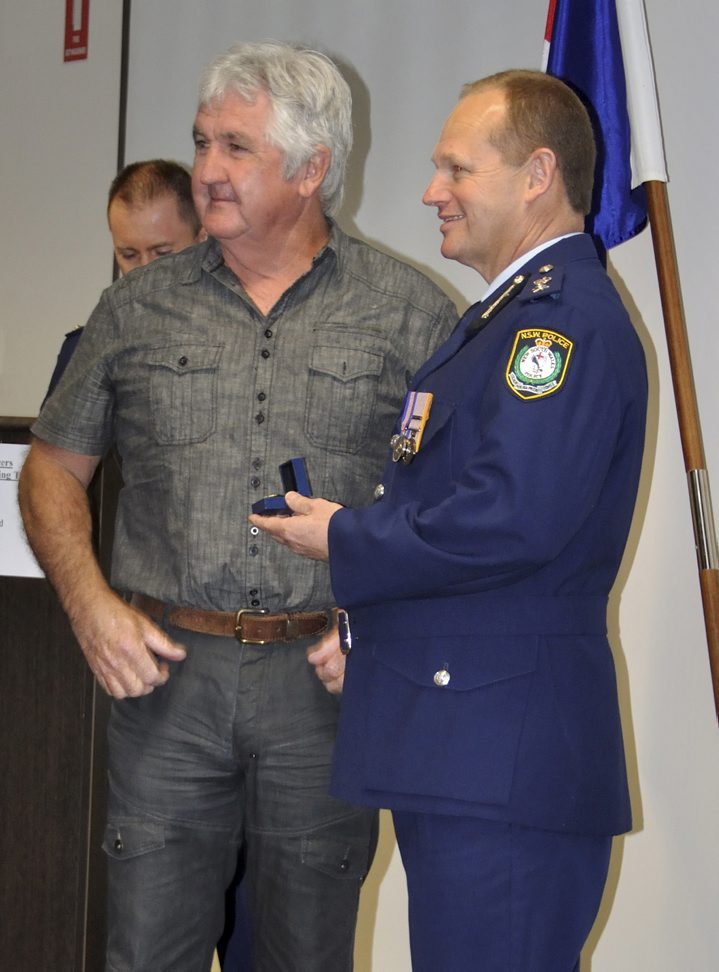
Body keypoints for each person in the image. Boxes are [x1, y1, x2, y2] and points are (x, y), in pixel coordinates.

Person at [19, 41, 457, 971]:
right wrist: (91, 607)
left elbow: (455, 501)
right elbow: (52, 467)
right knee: (146, 952)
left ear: (310, 169)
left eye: (235, 148)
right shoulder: (137, 310)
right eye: (201, 142)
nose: (205, 171)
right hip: (168, 680)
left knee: (305, 953)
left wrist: (388, 621)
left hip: (325, 690)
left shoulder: (409, 312)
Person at [251, 69, 648, 972]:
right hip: (469, 744)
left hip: (499, 756)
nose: (432, 191)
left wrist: (341, 538)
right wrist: (368, 628)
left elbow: (508, 519)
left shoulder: (558, 325)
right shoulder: (503, 322)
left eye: (456, 169)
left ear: (536, 173)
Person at [44, 159, 204, 401]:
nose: (144, 271)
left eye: (162, 253)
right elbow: (52, 440)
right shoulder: (88, 350)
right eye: (128, 255)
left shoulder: (246, 341)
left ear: (202, 239)